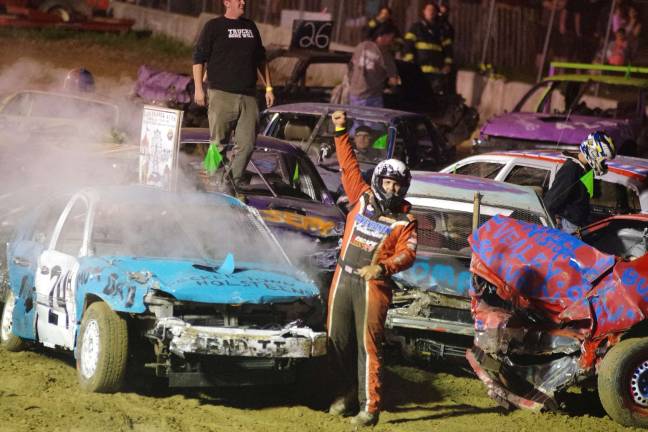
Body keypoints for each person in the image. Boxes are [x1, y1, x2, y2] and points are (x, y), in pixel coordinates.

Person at [326, 110, 417, 427]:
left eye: (398, 185)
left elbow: (408, 254)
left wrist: (384, 268)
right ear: (379, 181)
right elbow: (347, 164)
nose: (392, 189)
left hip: (373, 286)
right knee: (336, 341)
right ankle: (346, 393)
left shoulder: (406, 221)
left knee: (368, 348)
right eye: (388, 182)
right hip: (342, 278)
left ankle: (371, 407)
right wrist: (340, 129)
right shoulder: (360, 197)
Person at [192, 0, 274, 194]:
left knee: (247, 145)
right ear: (227, 2)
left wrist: (269, 87)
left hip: (248, 95)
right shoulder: (214, 26)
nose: (243, 2)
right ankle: (211, 181)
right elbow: (198, 59)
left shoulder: (251, 27)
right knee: (217, 144)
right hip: (221, 94)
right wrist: (198, 88)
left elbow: (261, 60)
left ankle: (231, 183)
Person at [544, 131, 616, 234]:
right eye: (603, 160)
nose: (603, 163)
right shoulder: (571, 169)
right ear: (593, 152)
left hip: (580, 223)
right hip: (569, 225)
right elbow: (551, 201)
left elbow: (590, 195)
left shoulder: (585, 168)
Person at [403, 2, 453, 94]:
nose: (431, 12)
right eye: (429, 10)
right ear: (424, 12)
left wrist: (448, 64)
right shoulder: (416, 28)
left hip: (436, 71)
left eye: (433, 10)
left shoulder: (442, 30)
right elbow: (408, 45)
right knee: (417, 95)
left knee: (433, 96)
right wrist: (410, 64)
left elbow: (448, 49)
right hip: (419, 70)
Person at [348, 22, 400, 108]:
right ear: (385, 35)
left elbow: (351, 68)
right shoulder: (384, 54)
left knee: (357, 121)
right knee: (373, 121)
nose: (391, 41)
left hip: (354, 95)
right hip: (372, 97)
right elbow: (394, 81)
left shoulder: (361, 46)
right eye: (392, 37)